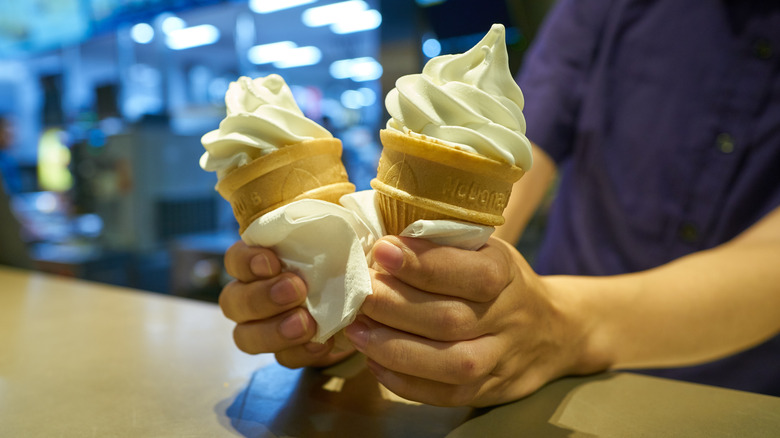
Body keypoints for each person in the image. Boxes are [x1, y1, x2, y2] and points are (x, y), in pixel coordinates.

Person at [218, 0, 780, 407]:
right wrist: (365, 294)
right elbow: (495, 143)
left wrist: (565, 324)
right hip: (533, 377)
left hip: (744, 395)